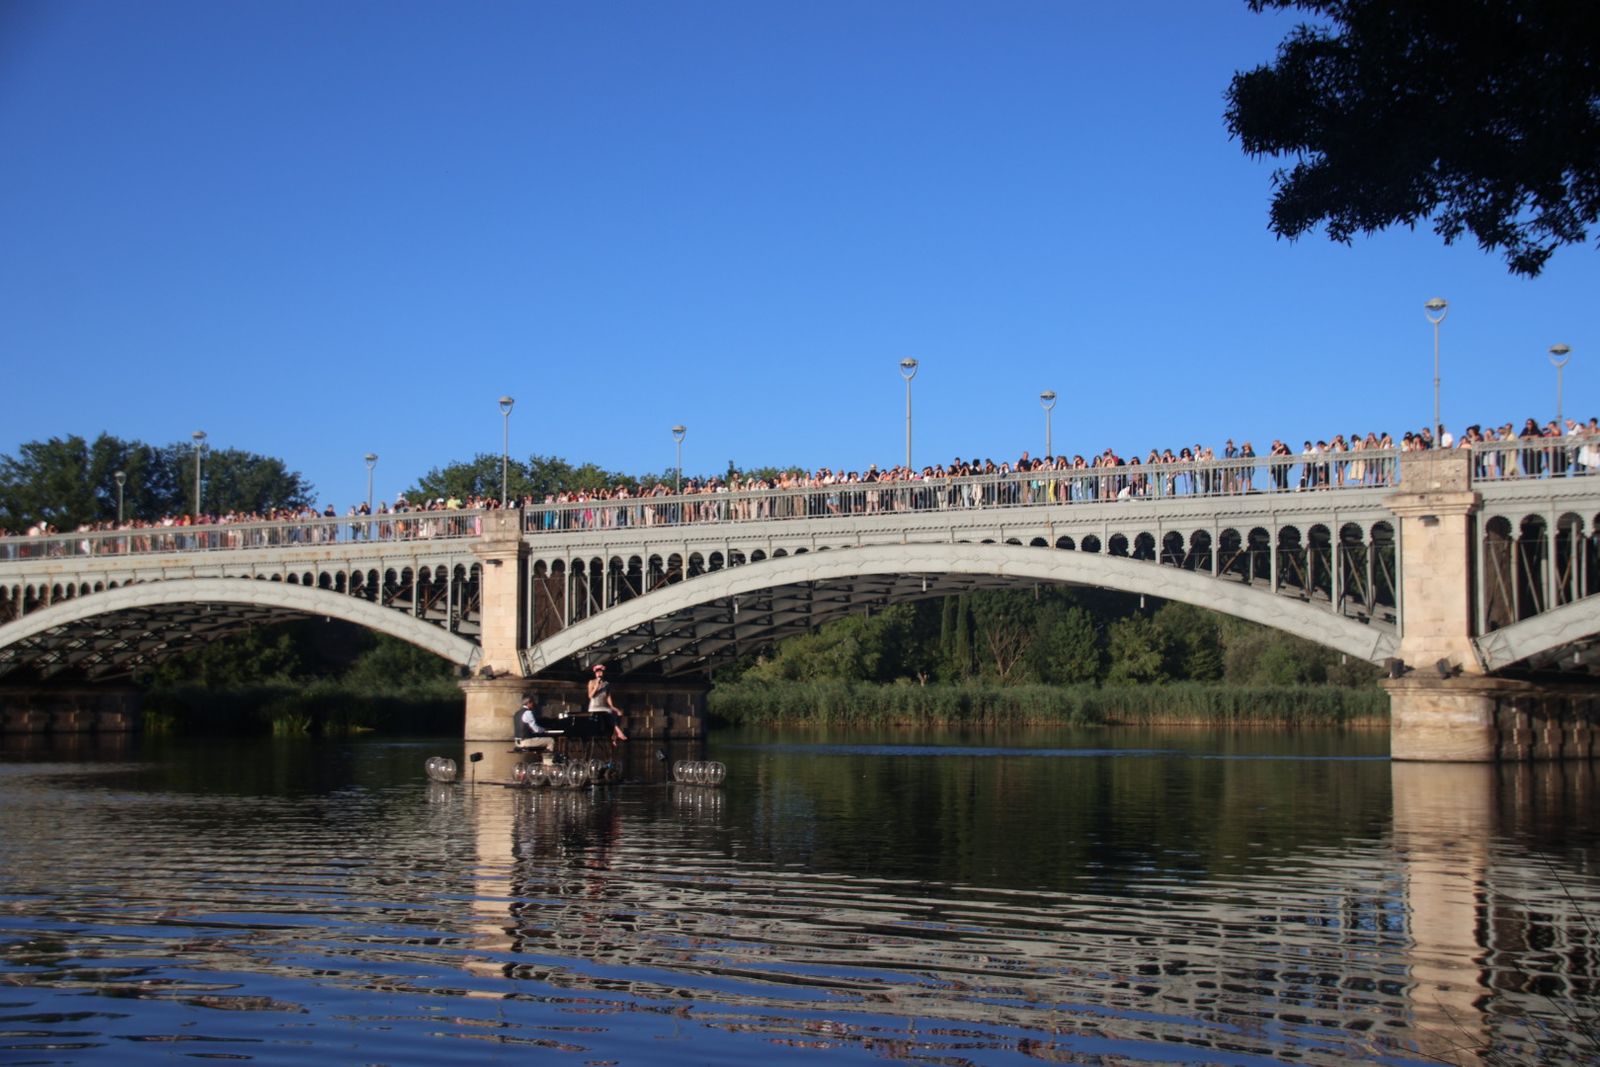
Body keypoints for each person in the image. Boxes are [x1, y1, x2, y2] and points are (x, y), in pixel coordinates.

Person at [586, 664, 629, 741]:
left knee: (619, 713)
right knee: (609, 714)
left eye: (600, 672)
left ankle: (614, 734)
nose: (599, 673)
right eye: (597, 672)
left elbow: (608, 696)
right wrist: (596, 686)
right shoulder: (591, 682)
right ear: (595, 674)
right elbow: (590, 696)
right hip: (595, 706)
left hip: (604, 706)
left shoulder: (606, 684)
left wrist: (613, 706)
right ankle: (618, 732)